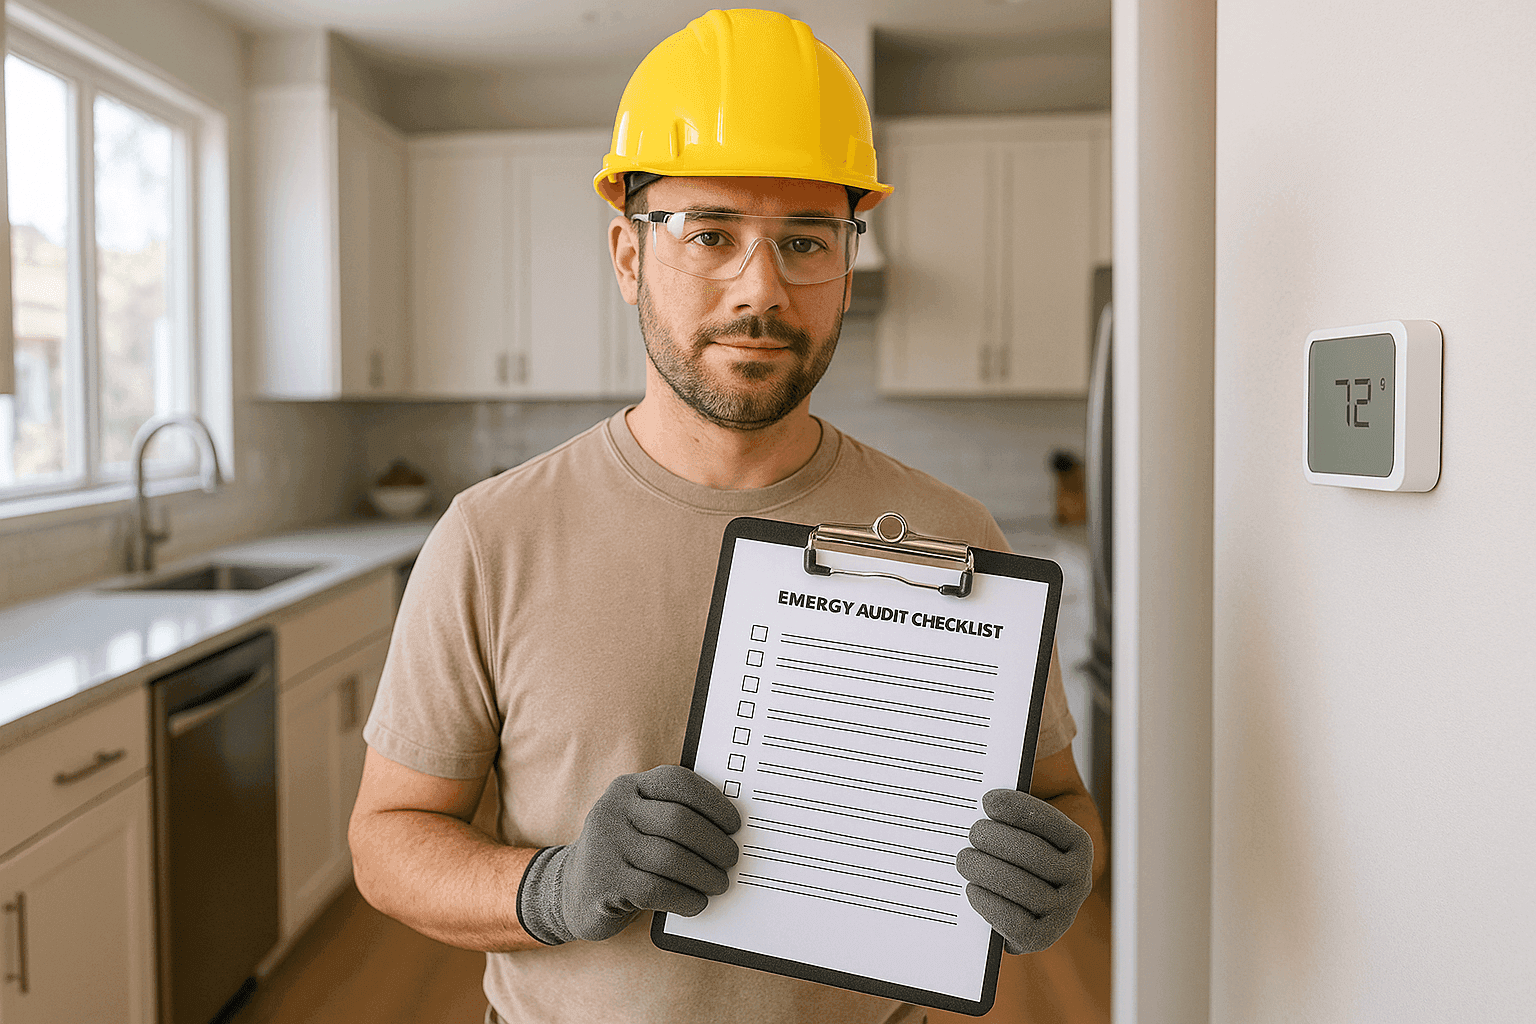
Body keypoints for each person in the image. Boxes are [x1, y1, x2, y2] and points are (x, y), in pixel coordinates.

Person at [349, 10, 1105, 1024]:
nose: (763, 288)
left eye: (805, 240)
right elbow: (389, 838)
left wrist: (1066, 865)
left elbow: (1058, 798)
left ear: (845, 265)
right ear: (628, 255)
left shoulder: (955, 537)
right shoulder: (493, 535)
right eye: (710, 234)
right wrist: (557, 887)